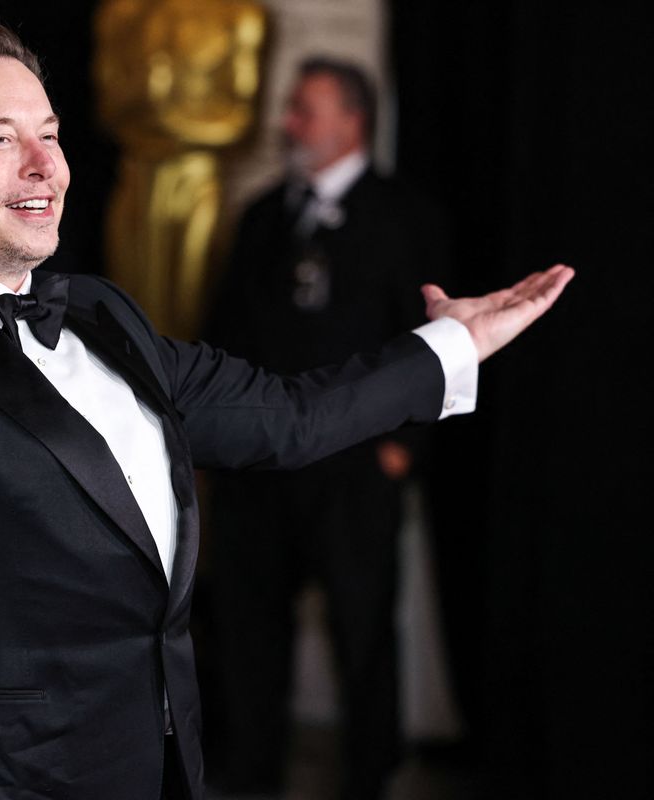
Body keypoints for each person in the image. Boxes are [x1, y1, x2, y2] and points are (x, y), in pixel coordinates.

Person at [0, 18, 572, 800]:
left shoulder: (104, 311)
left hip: (149, 767)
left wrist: (454, 345)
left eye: (51, 133)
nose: (45, 165)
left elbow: (286, 417)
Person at [203, 58, 451, 799]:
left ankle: (371, 779)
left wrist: (404, 451)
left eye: (304, 110)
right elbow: (223, 334)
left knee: (364, 632)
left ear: (354, 120)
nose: (287, 124)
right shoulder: (262, 219)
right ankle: (248, 775)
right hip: (259, 471)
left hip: (356, 472)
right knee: (247, 635)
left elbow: (438, 341)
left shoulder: (408, 217)